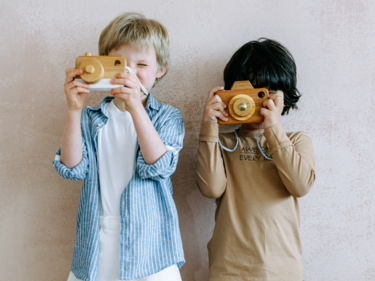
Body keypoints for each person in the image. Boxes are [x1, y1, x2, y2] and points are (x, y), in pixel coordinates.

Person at [53, 12, 185, 281]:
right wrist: (74, 111)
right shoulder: (92, 118)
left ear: (161, 69)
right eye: (119, 64)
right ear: (102, 65)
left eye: (142, 64)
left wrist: (136, 106)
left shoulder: (167, 117)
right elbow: (72, 168)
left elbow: (159, 166)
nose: (129, 72)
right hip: (98, 240)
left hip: (150, 246)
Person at [196, 38, 316, 281]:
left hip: (283, 270)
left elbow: (300, 186)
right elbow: (211, 188)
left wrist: (273, 129)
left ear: (286, 97)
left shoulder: (296, 141)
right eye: (250, 93)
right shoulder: (223, 142)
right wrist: (209, 126)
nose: (261, 101)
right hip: (229, 270)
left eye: (269, 93)